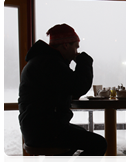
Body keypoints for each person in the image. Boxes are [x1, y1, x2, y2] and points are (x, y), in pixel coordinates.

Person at [18, 24, 107, 162]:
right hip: (45, 130)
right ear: (66, 45)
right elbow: (79, 86)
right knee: (99, 144)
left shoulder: (42, 60)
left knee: (78, 135)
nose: (77, 50)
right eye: (76, 46)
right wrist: (85, 61)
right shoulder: (50, 63)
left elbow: (62, 89)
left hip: (36, 128)